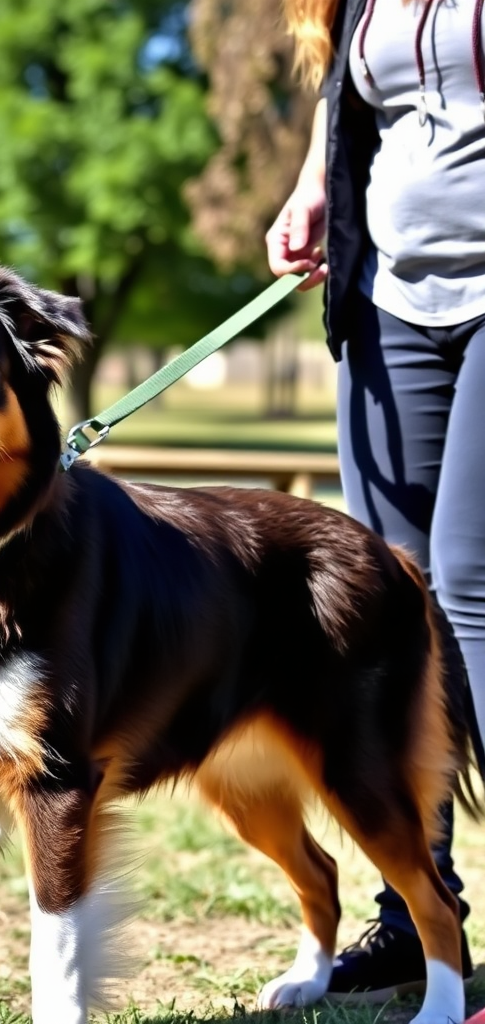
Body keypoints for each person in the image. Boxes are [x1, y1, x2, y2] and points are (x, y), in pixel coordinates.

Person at [266, 0, 485, 1007]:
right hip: (389, 299)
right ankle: (417, 918)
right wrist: (313, 189)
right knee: (392, 597)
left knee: (470, 578)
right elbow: (350, 102)